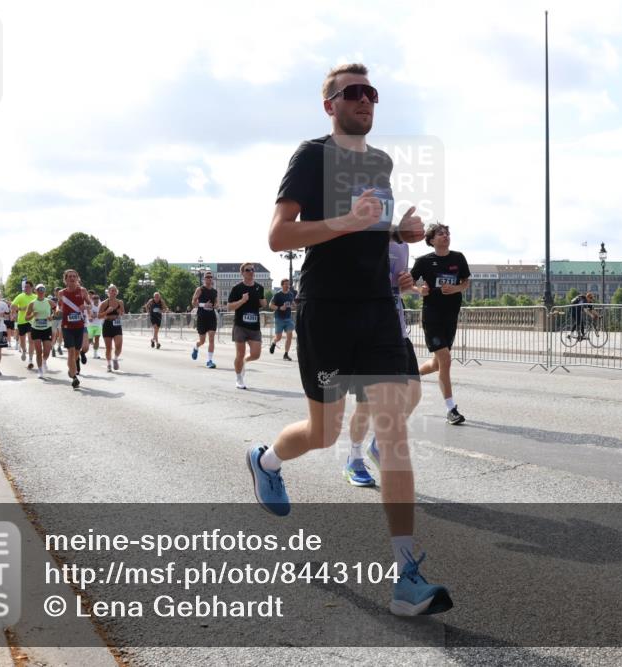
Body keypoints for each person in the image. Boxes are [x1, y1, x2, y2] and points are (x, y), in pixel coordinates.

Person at [247, 63, 451, 616]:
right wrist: (344, 220)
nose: (365, 100)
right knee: (322, 431)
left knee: (394, 426)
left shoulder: (380, 162)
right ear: (330, 105)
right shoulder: (311, 156)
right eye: (352, 93)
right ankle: (266, 460)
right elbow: (278, 235)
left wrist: (396, 230)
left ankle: (406, 573)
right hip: (327, 311)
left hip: (377, 307)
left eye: (371, 93)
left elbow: (369, 222)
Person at [343, 239, 423, 487]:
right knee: (366, 406)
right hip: (367, 334)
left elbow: (399, 288)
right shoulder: (353, 239)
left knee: (414, 393)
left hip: (397, 331)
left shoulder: (400, 243)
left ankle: (377, 445)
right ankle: (353, 459)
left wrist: (407, 285)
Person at [411, 223, 471, 425]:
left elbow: (466, 282)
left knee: (438, 363)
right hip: (432, 315)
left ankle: (411, 373)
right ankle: (451, 409)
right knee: (445, 360)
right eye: (440, 234)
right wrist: (420, 291)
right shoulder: (424, 261)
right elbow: (409, 282)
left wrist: (455, 289)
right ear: (431, 240)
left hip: (451, 316)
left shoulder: (458, 258)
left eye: (447, 233)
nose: (445, 236)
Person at [227, 262, 266, 389]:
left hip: (254, 326)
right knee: (240, 353)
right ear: (242, 273)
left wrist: (263, 302)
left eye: (252, 269)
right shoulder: (237, 288)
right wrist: (242, 301)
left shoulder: (259, 288)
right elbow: (229, 307)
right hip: (240, 326)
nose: (251, 272)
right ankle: (239, 378)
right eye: (248, 270)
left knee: (256, 354)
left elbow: (262, 302)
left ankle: (243, 363)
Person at [58, 269, 91, 389]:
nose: (72, 278)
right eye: (69, 276)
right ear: (65, 279)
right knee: (71, 352)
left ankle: (71, 370)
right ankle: (74, 377)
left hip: (79, 326)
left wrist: (85, 306)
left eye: (74, 276)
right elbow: (59, 306)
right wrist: (57, 311)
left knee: (76, 353)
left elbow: (90, 305)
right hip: (67, 326)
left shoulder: (82, 291)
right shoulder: (61, 293)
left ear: (77, 278)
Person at [24, 284, 54, 379]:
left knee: (47, 350)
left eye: (43, 291)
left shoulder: (49, 301)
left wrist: (52, 316)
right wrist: (33, 315)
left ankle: (44, 361)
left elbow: (57, 310)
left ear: (45, 292)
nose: (41, 292)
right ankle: (40, 369)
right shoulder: (32, 303)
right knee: (38, 351)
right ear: (36, 292)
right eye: (39, 291)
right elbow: (26, 317)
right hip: (36, 329)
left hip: (47, 329)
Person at [191, 272, 218, 368]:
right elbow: (193, 302)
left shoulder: (214, 291)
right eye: (207, 277)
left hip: (211, 317)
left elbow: (216, 303)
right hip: (202, 317)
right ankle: (196, 347)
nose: (209, 279)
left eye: (211, 277)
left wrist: (215, 305)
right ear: (204, 279)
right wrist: (203, 305)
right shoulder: (200, 289)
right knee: (202, 341)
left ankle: (209, 361)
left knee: (211, 338)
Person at [98, 284, 125, 372]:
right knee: (108, 348)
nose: (113, 292)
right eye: (111, 291)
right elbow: (99, 316)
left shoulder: (120, 302)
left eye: (114, 291)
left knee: (119, 346)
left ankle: (115, 359)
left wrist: (119, 312)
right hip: (107, 326)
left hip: (117, 325)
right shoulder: (104, 303)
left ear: (117, 292)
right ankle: (109, 364)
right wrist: (106, 312)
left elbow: (122, 313)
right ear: (108, 292)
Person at [268, 278, 297, 360]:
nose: (288, 285)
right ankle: (274, 343)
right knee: (279, 337)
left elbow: (293, 304)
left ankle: (286, 354)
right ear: (282, 285)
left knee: (289, 336)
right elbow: (270, 305)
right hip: (279, 318)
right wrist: (280, 308)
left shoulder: (290, 294)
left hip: (288, 319)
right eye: (286, 284)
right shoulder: (278, 295)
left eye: (288, 284)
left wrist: (293, 306)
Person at [11, 281, 37, 369]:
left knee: (31, 340)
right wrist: (21, 309)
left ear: (32, 288)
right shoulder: (20, 296)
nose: (26, 288)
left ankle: (30, 360)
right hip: (22, 321)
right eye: (25, 287)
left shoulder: (35, 297)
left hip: (32, 321)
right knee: (22, 341)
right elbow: (12, 306)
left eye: (28, 287)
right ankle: (24, 351)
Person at [86, 291, 103, 360]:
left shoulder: (101, 305)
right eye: (94, 300)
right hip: (90, 325)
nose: (96, 301)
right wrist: (91, 316)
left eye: (97, 300)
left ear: (98, 300)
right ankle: (91, 343)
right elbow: (90, 314)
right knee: (89, 340)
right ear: (92, 300)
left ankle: (95, 354)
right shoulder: (91, 306)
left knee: (97, 339)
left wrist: (97, 315)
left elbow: (101, 314)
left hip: (98, 325)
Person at [50, 287, 64, 358]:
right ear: (54, 292)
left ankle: (59, 347)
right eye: (57, 292)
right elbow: (51, 309)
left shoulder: (63, 300)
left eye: (59, 291)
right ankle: (53, 348)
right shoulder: (52, 300)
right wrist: (52, 315)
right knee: (54, 334)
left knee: (61, 333)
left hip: (61, 319)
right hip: (54, 319)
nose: (58, 293)